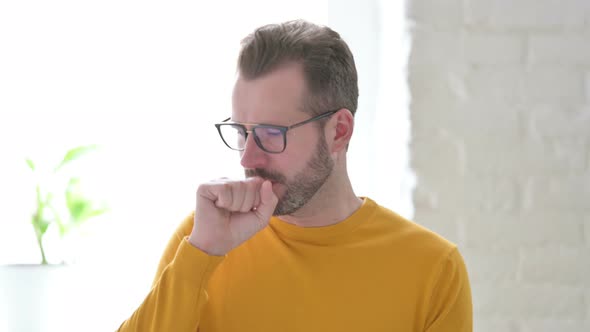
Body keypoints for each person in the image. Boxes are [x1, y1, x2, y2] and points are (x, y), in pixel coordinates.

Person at [118, 19, 472, 332]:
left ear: (339, 131)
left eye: (271, 133)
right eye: (242, 131)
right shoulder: (204, 239)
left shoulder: (433, 270)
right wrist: (202, 252)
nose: (248, 156)